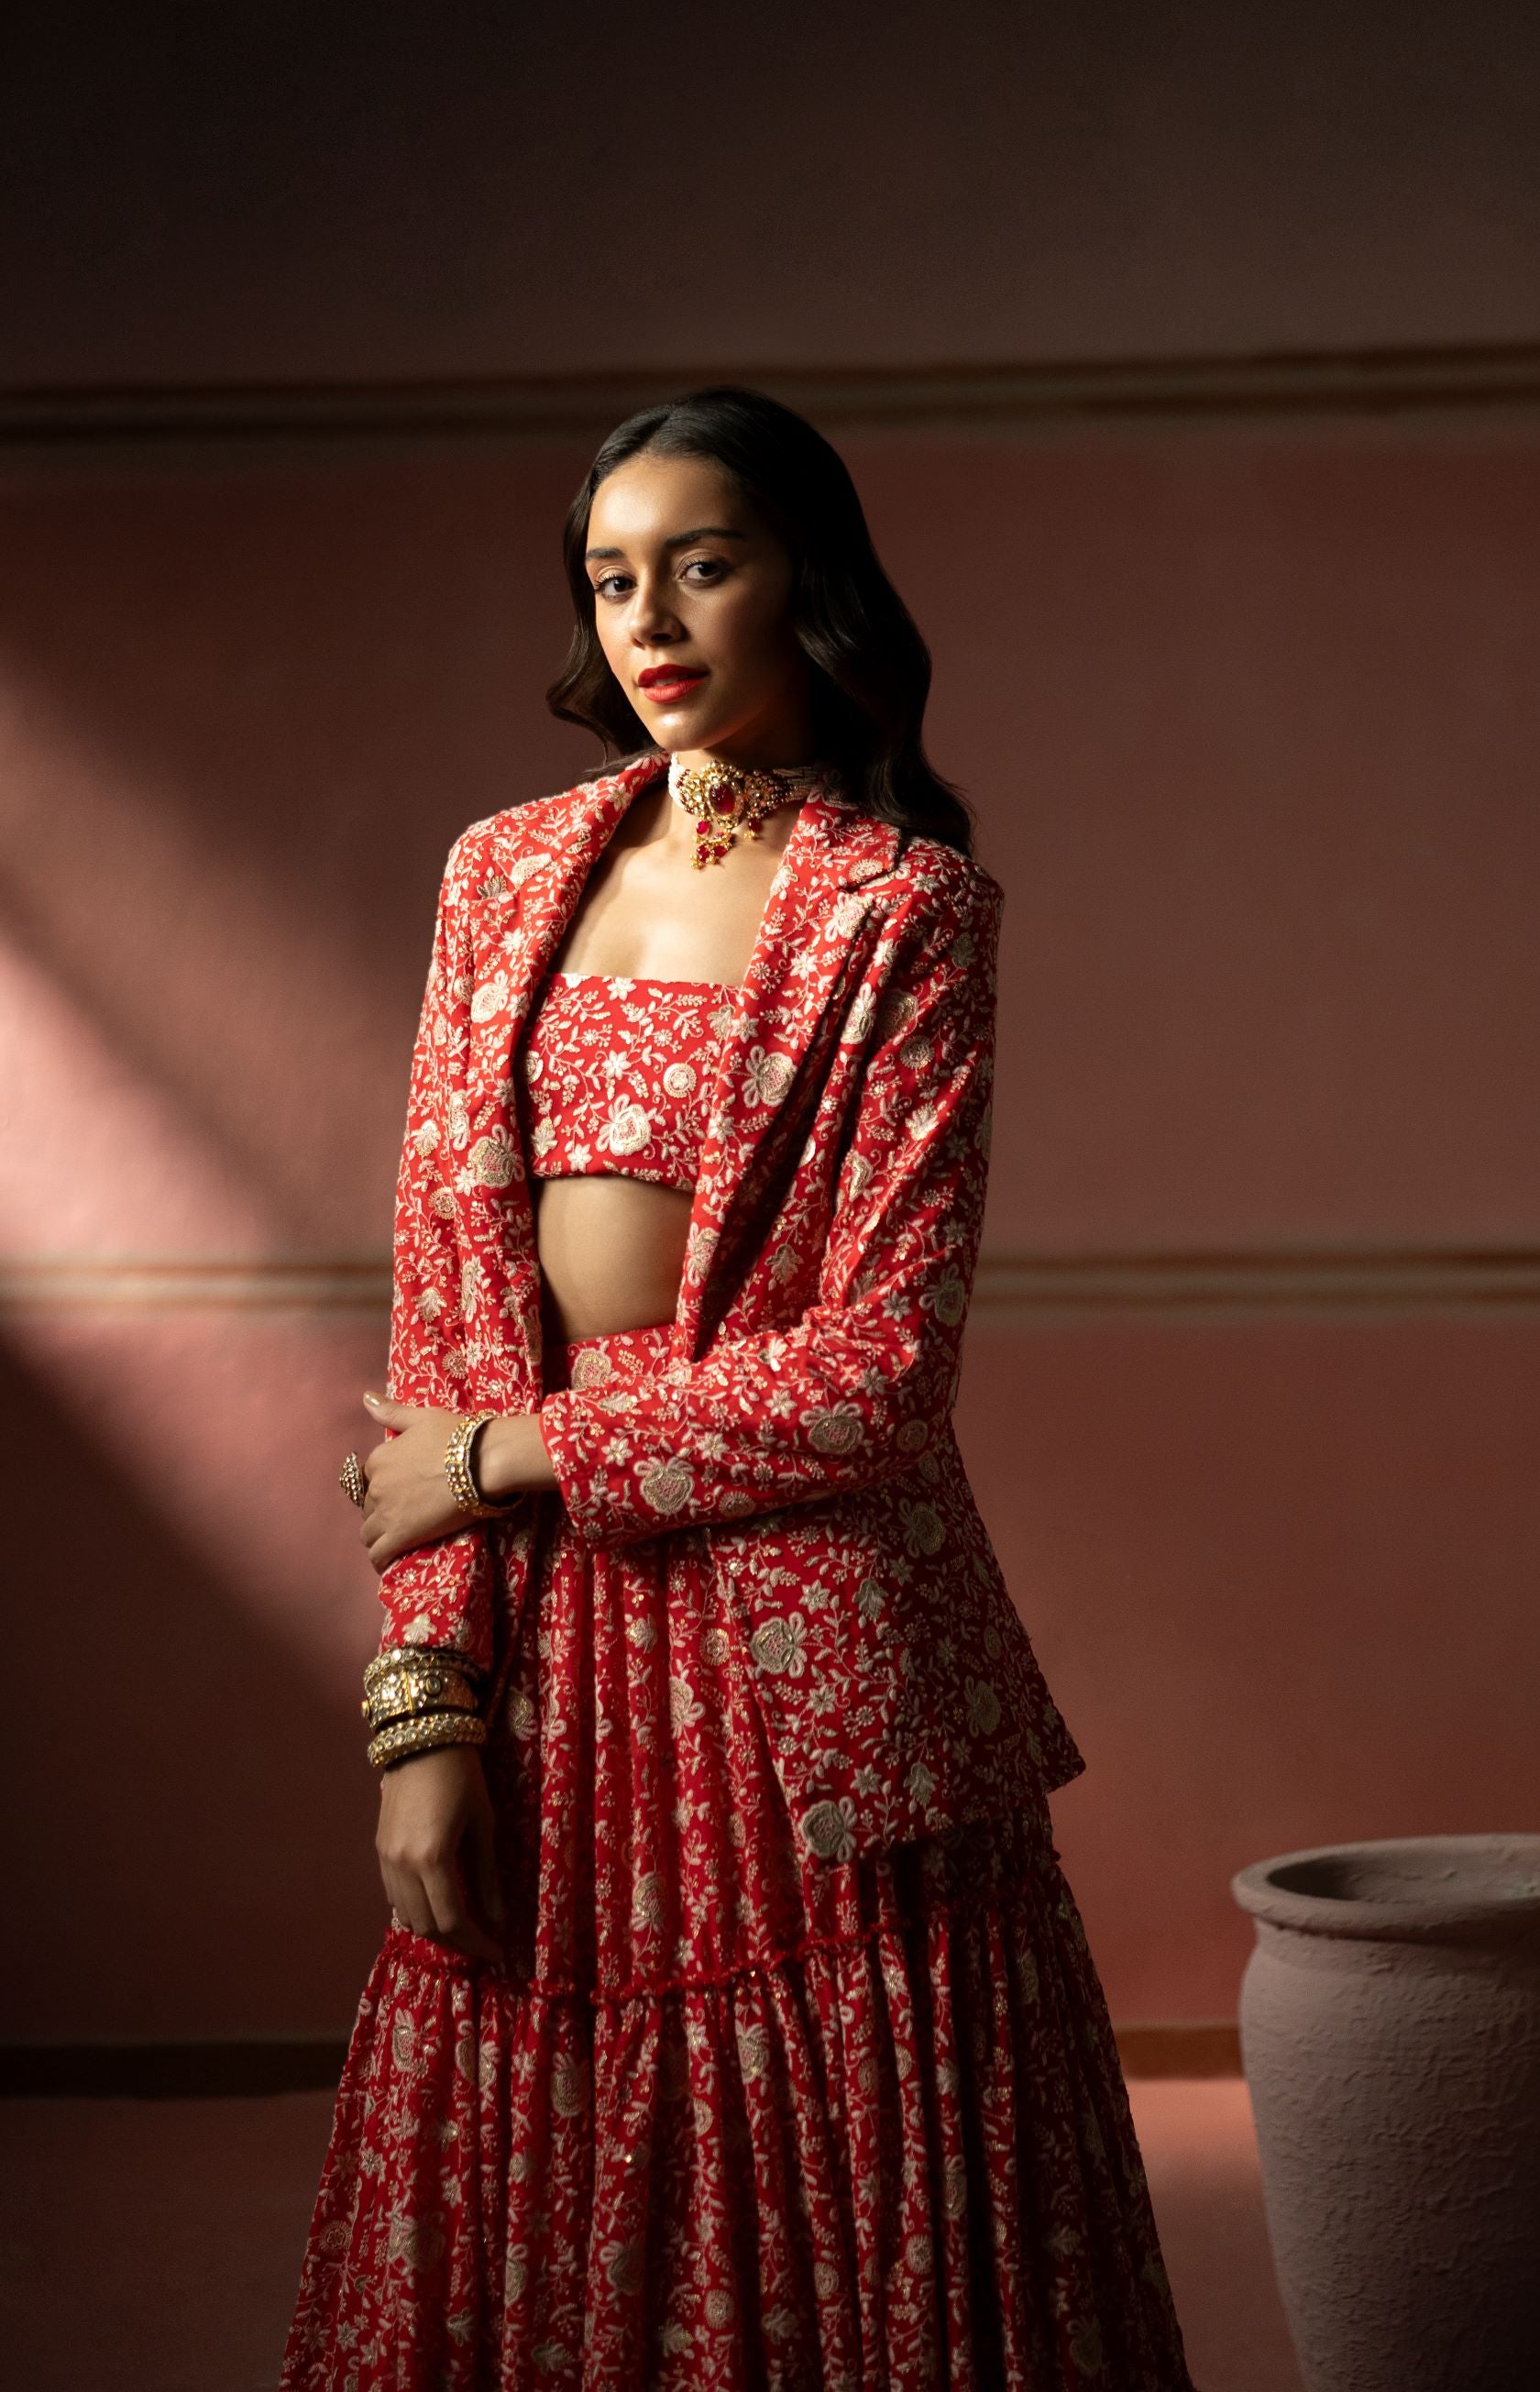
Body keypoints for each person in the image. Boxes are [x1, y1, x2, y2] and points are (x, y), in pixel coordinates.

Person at [283, 389, 1193, 2390]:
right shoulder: (505, 877)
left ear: (813, 582)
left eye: (704, 561)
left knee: (865, 2165)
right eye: (612, 576)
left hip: (823, 1672)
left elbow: (877, 1377)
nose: (652, 618)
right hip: (549, 1650)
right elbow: (446, 1298)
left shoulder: (901, 915)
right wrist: (421, 1702)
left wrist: (516, 1454)